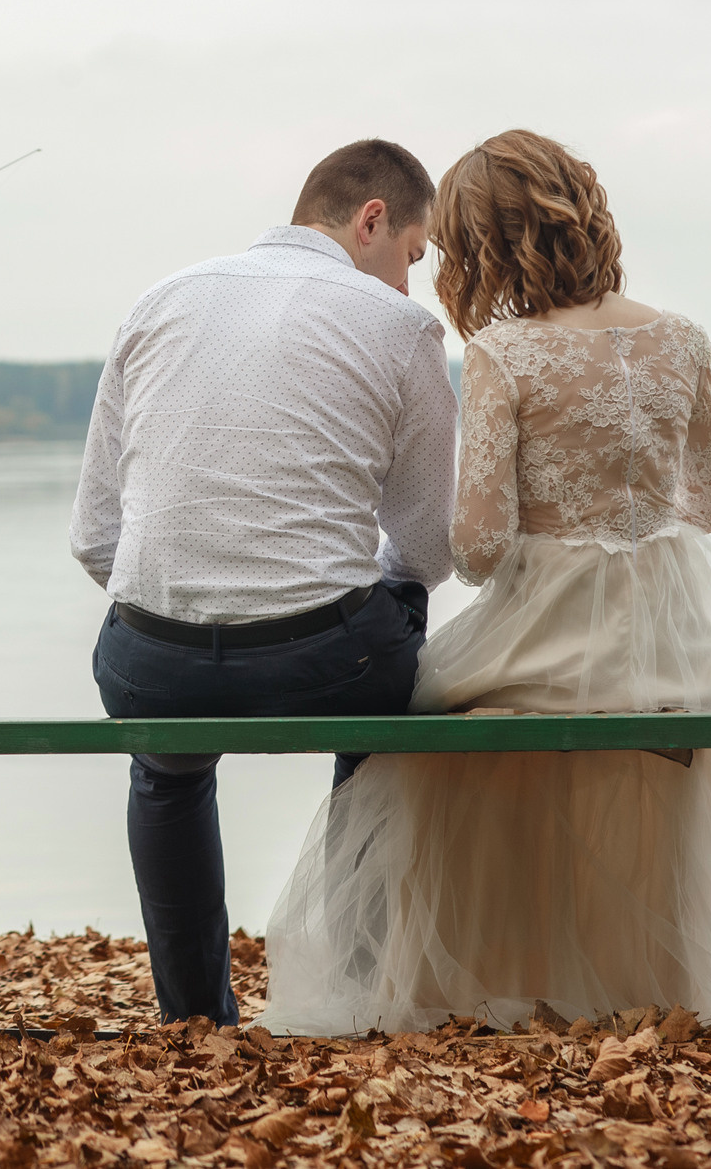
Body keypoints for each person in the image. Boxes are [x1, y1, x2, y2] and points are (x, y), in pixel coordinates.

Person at [263, 130, 711, 1033]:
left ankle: (486, 983)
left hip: (547, 630)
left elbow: (478, 548)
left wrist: (551, 525)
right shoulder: (679, 338)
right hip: (677, 631)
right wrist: (629, 518)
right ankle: (639, 987)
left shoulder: (506, 355)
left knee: (424, 730)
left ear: (484, 248)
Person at [70, 139, 459, 1025]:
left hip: (151, 668)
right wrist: (324, 595)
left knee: (165, 771)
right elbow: (428, 548)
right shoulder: (399, 328)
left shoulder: (158, 301)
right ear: (372, 222)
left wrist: (187, 604)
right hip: (327, 666)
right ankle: (353, 991)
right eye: (413, 253)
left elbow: (95, 537)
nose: (411, 280)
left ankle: (195, 1015)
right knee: (393, 660)